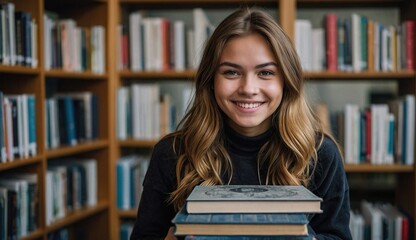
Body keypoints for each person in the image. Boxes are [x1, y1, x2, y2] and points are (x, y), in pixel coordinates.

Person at [130, 7, 351, 240]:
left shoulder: (320, 154)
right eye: (231, 72)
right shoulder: (171, 153)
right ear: (210, 80)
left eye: (265, 73)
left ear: (286, 81)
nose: (248, 89)